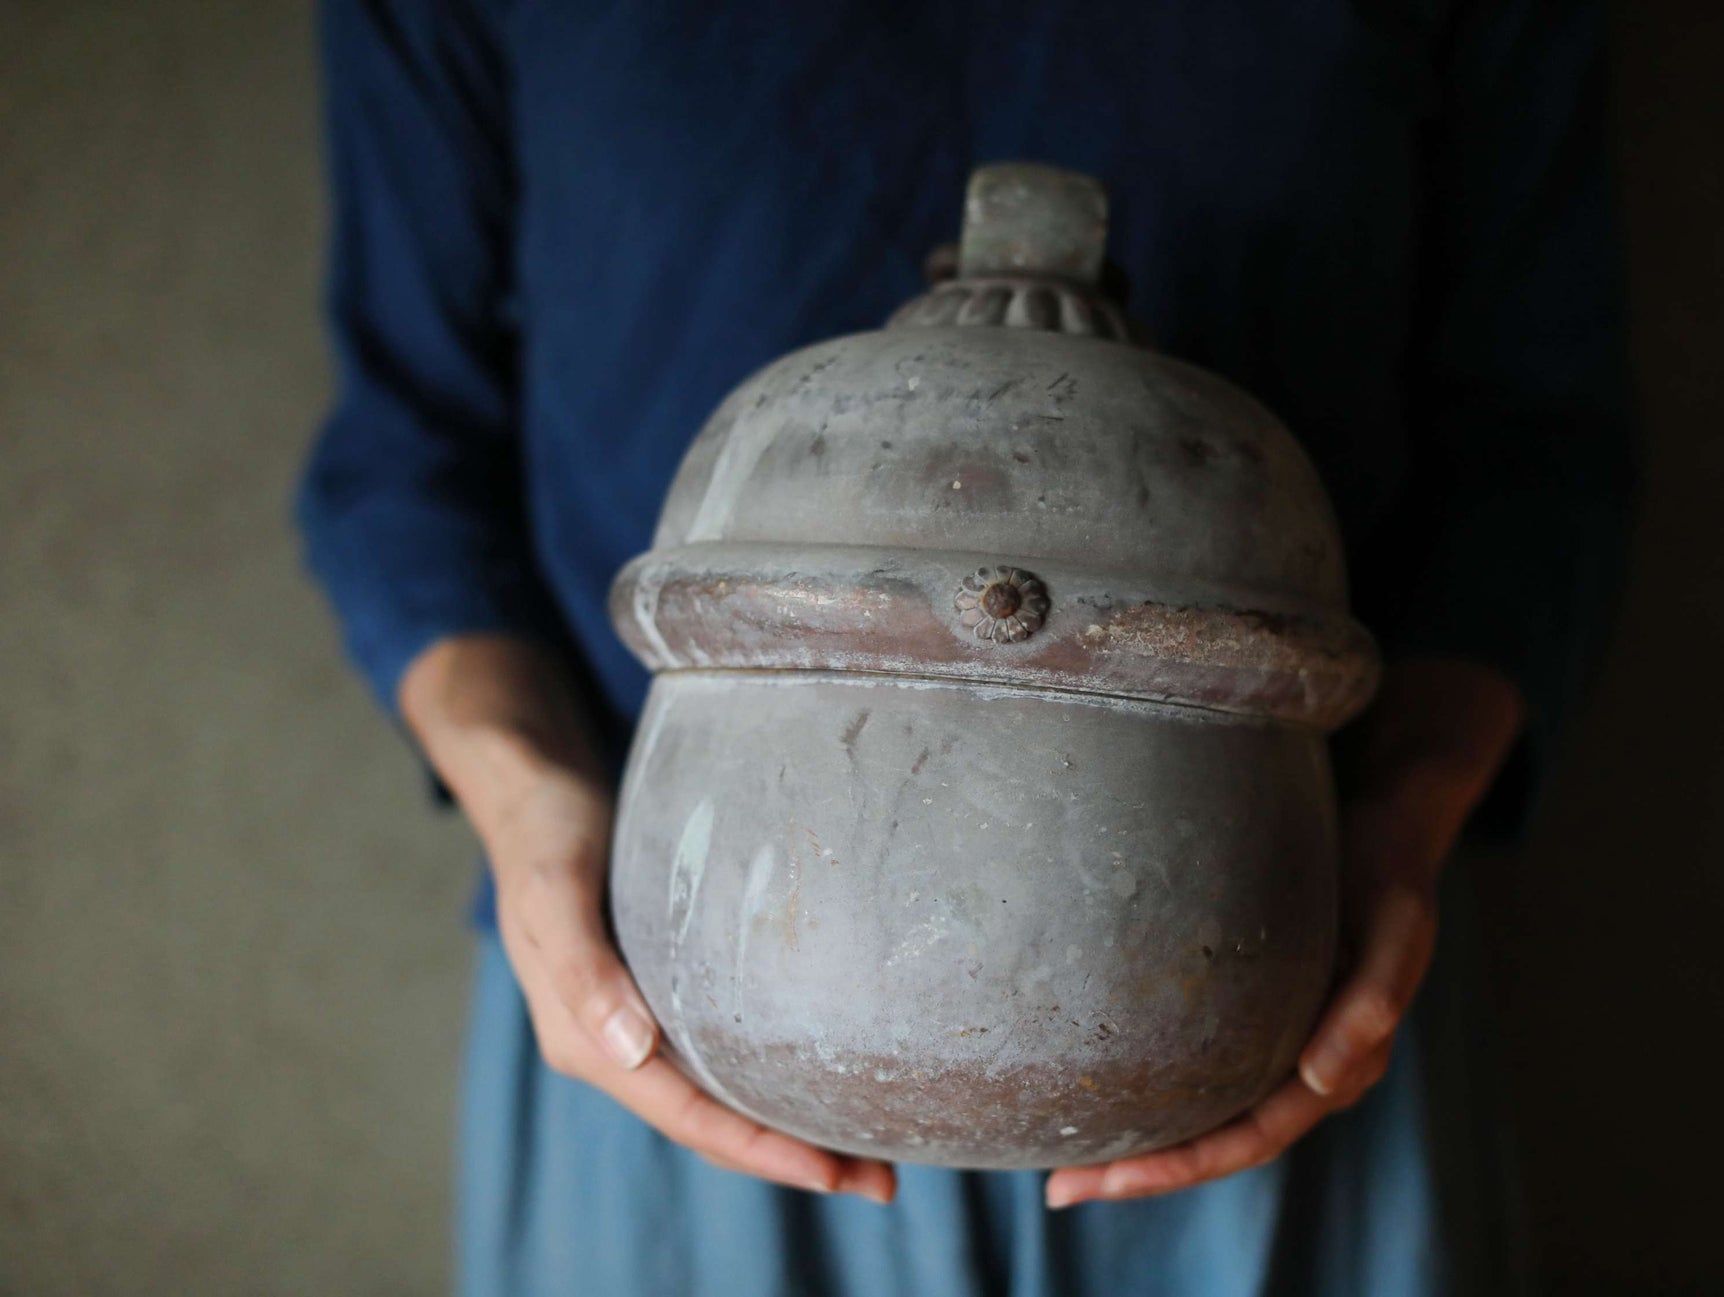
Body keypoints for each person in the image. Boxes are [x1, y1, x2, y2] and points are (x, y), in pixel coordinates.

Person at [297, 1, 1633, 1293]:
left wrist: (1406, 818)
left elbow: (1534, 456)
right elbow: (405, 459)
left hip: (1280, 1011)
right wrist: (524, 797)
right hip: (665, 1026)